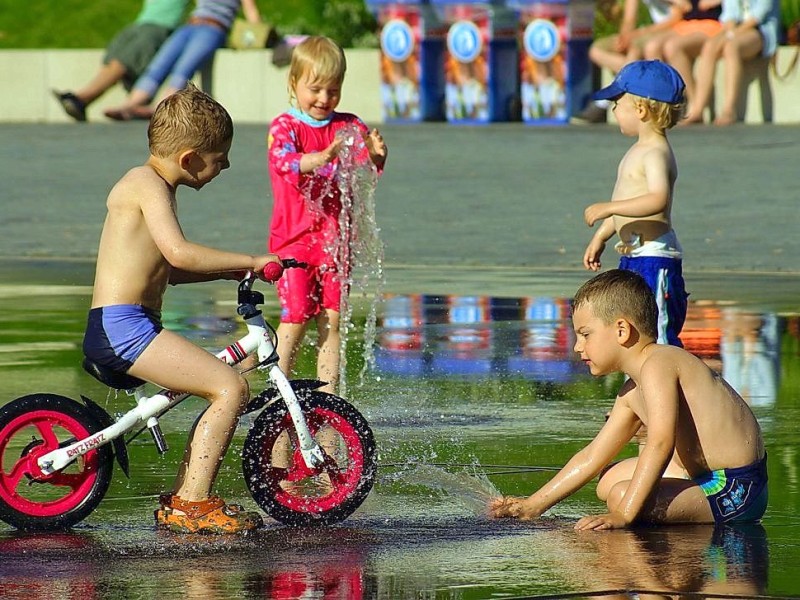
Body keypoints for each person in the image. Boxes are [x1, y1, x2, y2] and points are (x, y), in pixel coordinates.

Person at [82, 83, 281, 534]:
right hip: (123, 329)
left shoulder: (152, 185)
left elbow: (169, 271)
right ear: (190, 158)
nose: (225, 165)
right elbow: (180, 253)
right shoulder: (146, 185)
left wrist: (229, 273)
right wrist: (250, 260)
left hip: (128, 326)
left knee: (222, 382)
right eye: (220, 158)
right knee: (229, 387)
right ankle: (192, 503)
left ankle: (185, 498)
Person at [489, 269, 768, 529]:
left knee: (622, 496)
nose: (577, 347)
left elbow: (660, 443)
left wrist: (624, 515)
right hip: (702, 475)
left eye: (585, 334)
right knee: (608, 479)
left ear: (622, 330)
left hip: (738, 489)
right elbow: (592, 455)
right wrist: (532, 505)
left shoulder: (660, 362)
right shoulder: (631, 392)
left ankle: (647, 509)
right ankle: (670, 491)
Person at [266, 36, 388, 393]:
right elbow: (285, 162)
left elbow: (364, 171)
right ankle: (280, 389)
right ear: (294, 84)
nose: (323, 99)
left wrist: (376, 156)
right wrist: (320, 158)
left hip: (334, 241)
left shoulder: (349, 127)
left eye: (332, 90)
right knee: (295, 316)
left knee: (331, 321)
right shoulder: (284, 127)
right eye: (315, 89)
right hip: (293, 241)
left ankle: (327, 393)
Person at [581, 60, 689, 347]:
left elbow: (657, 198)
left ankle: (673, 385)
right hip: (634, 255)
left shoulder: (655, 152)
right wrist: (602, 235)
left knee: (657, 333)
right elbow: (626, 202)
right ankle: (642, 385)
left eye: (617, 103)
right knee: (633, 329)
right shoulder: (637, 150)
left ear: (641, 109)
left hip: (655, 257)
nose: (613, 110)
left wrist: (609, 208)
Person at [103, 0, 262, 121]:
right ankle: (129, 105)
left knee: (184, 68)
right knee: (158, 65)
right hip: (190, 25)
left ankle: (159, 108)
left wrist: (256, 36)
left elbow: (251, 12)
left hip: (214, 28)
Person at [52, 0, 188, 122]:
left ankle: (81, 99)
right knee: (112, 60)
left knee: (123, 63)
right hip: (140, 23)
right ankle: (82, 100)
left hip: (161, 27)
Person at [573, 0, 681, 123]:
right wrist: (624, 38)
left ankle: (607, 100)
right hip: (644, 32)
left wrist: (639, 34)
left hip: (669, 30)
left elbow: (678, 16)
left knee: (634, 50)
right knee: (597, 49)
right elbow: (629, 19)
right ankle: (636, 78)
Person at [681, 0, 779, 125]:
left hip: (759, 32)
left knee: (731, 47)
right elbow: (729, 14)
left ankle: (729, 109)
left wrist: (732, 35)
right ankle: (698, 109)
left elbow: (758, 16)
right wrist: (729, 31)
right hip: (734, 31)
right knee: (710, 47)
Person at [661, 0, 723, 109]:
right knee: (653, 46)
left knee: (673, 47)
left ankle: (695, 104)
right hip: (687, 23)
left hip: (711, 23)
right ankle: (664, 103)